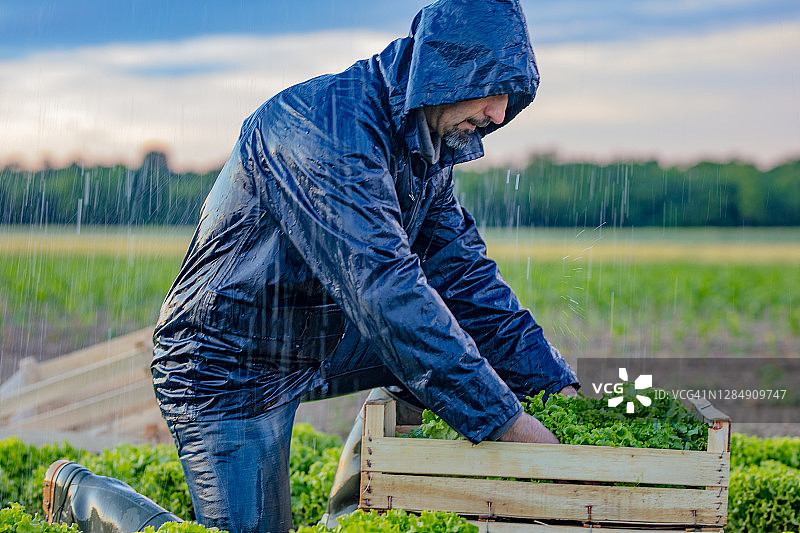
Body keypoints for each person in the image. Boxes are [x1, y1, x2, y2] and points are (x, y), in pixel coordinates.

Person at [151, 0, 579, 532]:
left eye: (511, 97)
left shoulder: (424, 150)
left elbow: (468, 282)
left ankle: (351, 513)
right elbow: (387, 294)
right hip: (226, 363)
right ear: (447, 68)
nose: (499, 113)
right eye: (494, 89)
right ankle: (87, 497)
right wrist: (508, 425)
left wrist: (558, 392)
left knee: (456, 339)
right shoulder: (324, 128)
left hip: (316, 340)